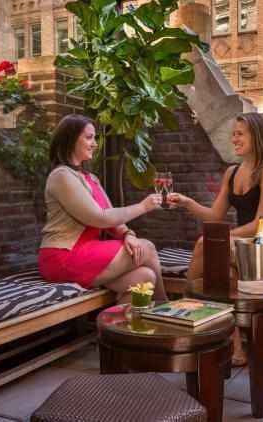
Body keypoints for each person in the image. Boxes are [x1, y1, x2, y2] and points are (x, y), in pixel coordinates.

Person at [167, 112, 263, 365]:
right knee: (219, 276)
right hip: (240, 245)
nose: (234, 139)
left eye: (240, 134)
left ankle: (185, 310)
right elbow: (215, 215)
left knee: (207, 246)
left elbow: (262, 224)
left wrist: (220, 238)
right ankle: (234, 348)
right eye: (233, 134)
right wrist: (187, 202)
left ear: (257, 137)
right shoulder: (232, 173)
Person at [39, 114, 167, 304]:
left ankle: (119, 331)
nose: (95, 144)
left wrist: (128, 234)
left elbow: (112, 218)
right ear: (71, 139)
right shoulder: (61, 176)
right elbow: (99, 218)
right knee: (146, 248)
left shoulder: (90, 178)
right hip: (63, 256)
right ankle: (166, 309)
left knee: (144, 276)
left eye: (95, 138)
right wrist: (142, 206)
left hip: (86, 254)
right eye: (89, 137)